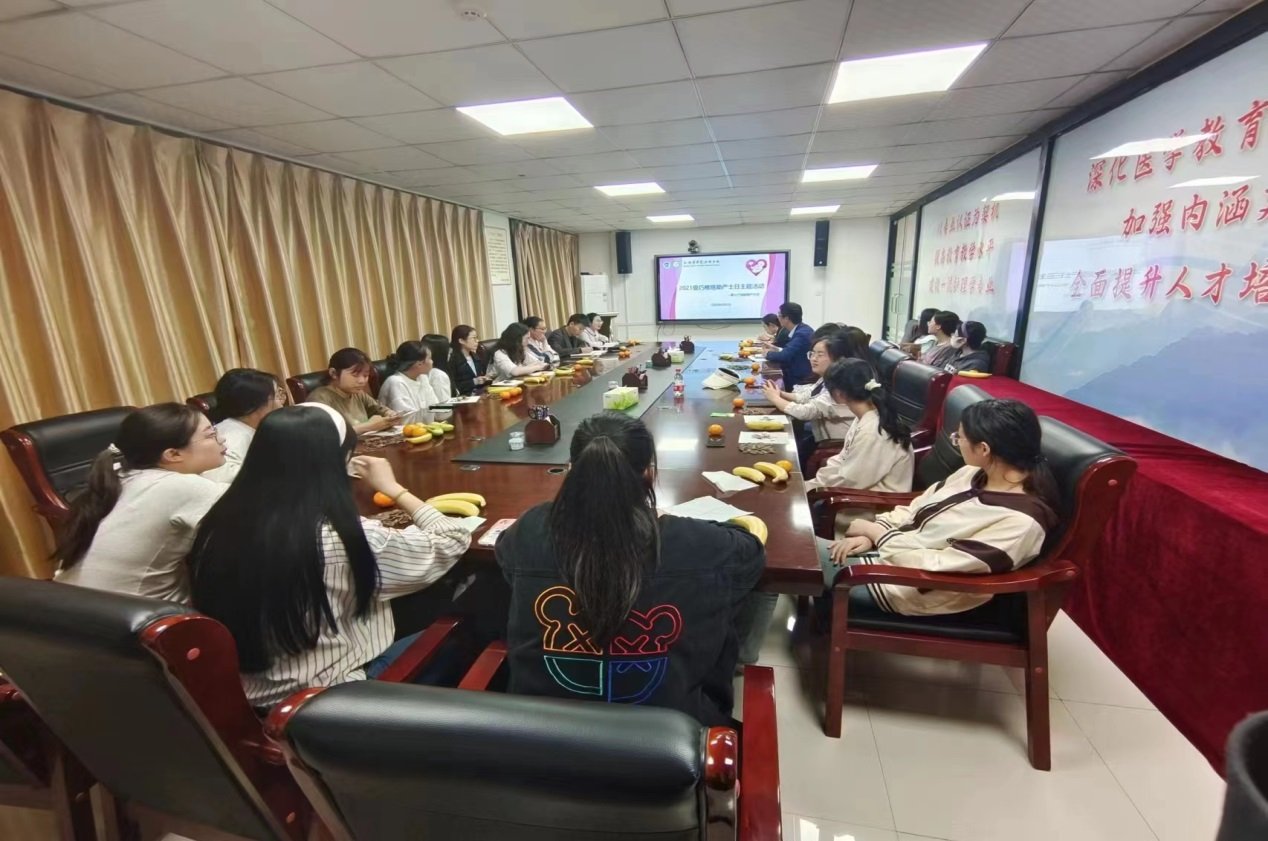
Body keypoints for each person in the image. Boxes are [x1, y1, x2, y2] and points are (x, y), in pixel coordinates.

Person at [188, 403, 471, 706]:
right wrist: (394, 489)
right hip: (333, 699)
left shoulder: (215, 523)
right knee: (468, 615)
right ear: (337, 462)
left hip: (252, 693)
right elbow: (453, 539)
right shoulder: (341, 536)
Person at [496, 412, 765, 726]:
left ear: (571, 471)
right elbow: (751, 554)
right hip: (668, 740)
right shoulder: (702, 543)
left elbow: (506, 557)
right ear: (649, 473)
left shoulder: (530, 529)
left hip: (539, 738)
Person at [821, 398, 1059, 616]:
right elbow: (915, 508)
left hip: (908, 587)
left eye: (959, 437)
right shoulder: (972, 473)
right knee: (805, 553)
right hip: (889, 557)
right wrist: (873, 535)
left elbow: (938, 566)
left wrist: (878, 535)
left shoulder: (1020, 522)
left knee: (804, 560)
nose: (956, 442)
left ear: (984, 449)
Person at [53, 403, 228, 602]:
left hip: (69, 607)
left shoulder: (119, 476)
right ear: (173, 454)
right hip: (138, 615)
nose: (222, 438)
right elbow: (247, 515)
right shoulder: (180, 487)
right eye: (211, 435)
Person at [805, 359, 915, 536]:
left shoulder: (873, 432)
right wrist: (811, 484)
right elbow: (842, 459)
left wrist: (811, 489)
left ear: (838, 394)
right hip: (861, 494)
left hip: (872, 510)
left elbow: (851, 480)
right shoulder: (867, 416)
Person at [760, 331, 859, 444]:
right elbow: (807, 396)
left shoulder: (839, 386)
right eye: (812, 353)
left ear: (837, 359)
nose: (813, 359)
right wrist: (780, 394)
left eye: (820, 355)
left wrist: (776, 399)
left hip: (836, 444)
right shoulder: (826, 377)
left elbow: (806, 412)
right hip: (819, 434)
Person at [202, 368, 286, 484]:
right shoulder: (227, 439)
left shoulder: (258, 428)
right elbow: (221, 481)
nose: (282, 404)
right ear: (254, 405)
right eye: (278, 396)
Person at [307, 348, 400, 435]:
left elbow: (379, 409)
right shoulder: (319, 399)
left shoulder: (358, 393)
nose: (362, 381)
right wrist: (368, 426)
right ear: (333, 373)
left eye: (365, 375)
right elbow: (327, 435)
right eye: (355, 375)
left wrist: (390, 414)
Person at [377, 341, 440, 421]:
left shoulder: (422, 378)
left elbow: (436, 408)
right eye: (430, 358)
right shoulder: (396, 383)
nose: (432, 362)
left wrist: (451, 406)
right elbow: (406, 419)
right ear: (419, 364)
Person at [762, 302, 815, 384]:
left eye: (779, 315)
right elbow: (792, 351)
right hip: (795, 371)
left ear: (786, 319)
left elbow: (785, 355)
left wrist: (767, 353)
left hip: (800, 377)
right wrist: (777, 349)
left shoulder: (802, 333)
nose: (778, 318)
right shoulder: (801, 329)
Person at [448, 325, 493, 395]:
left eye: (477, 338)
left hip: (479, 395)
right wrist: (474, 382)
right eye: (473, 338)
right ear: (461, 341)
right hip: (464, 397)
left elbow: (480, 377)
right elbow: (454, 387)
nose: (477, 341)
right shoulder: (453, 361)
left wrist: (486, 378)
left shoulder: (475, 356)